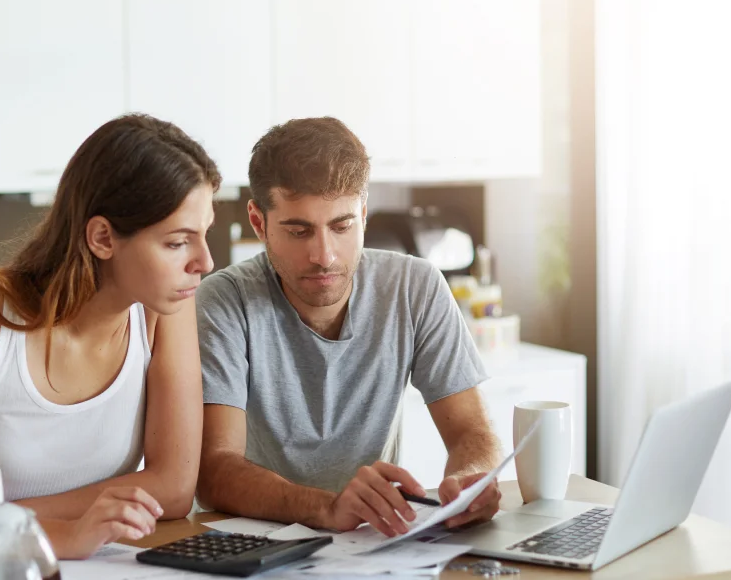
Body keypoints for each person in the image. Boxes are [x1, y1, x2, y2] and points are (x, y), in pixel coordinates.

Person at [0, 114, 219, 558]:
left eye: (204, 234)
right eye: (177, 242)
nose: (205, 262)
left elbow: (173, 489)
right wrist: (54, 534)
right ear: (102, 238)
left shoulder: (164, 307)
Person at [195, 117, 502, 538]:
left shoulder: (415, 286)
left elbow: (472, 432)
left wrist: (472, 479)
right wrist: (326, 507)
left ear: (363, 214)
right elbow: (214, 470)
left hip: (369, 541)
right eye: (299, 231)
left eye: (342, 227)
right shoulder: (223, 302)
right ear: (259, 222)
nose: (324, 256)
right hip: (254, 541)